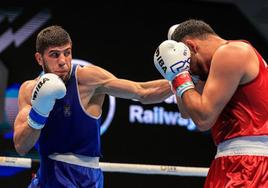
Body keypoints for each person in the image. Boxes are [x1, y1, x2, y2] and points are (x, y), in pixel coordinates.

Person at [13, 25, 173, 188]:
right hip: (50, 175)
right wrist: (39, 111)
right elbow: (21, 146)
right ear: (40, 59)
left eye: (67, 53)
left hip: (88, 178)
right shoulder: (29, 90)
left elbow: (142, 91)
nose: (63, 62)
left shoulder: (87, 79)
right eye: (54, 55)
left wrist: (183, 80)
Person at [154, 19, 268, 187]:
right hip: (229, 160)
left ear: (192, 46)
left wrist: (179, 76)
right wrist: (178, 74)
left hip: (250, 163)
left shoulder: (231, 52)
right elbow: (187, 112)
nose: (190, 70)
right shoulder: (211, 69)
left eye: (188, 64)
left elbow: (203, 119)